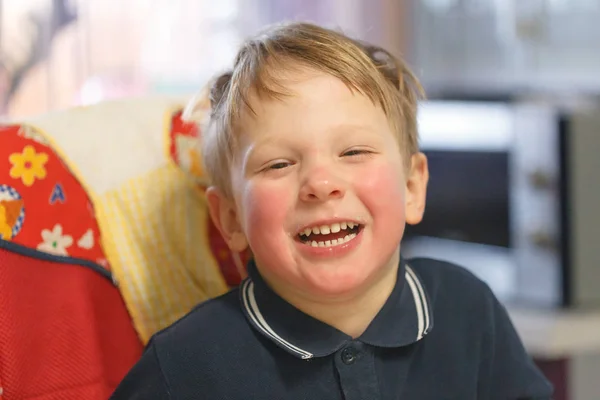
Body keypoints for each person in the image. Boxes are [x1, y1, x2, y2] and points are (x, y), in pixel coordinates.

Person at [110, 22, 553, 399]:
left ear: (412, 186)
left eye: (354, 151)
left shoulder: (468, 310)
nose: (321, 185)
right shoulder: (185, 365)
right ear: (230, 218)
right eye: (279, 163)